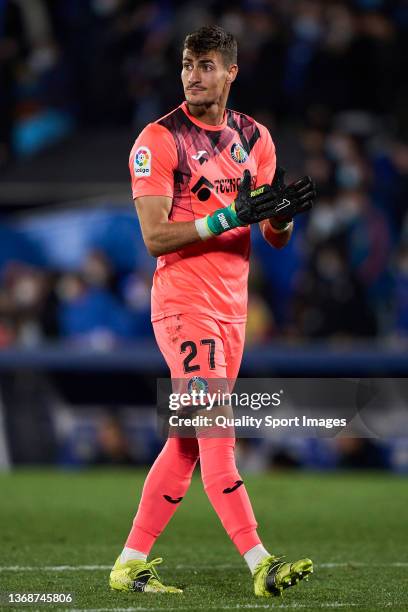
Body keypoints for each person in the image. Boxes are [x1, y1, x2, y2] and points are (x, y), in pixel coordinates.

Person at [109, 25, 316, 598]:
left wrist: (282, 215)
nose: (193, 76)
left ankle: (129, 563)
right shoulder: (160, 138)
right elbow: (154, 236)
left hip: (231, 310)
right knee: (217, 431)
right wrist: (229, 218)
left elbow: (273, 236)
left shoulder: (257, 138)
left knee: (185, 442)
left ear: (230, 72)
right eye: (186, 65)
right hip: (183, 306)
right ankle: (261, 561)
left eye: (204, 65)